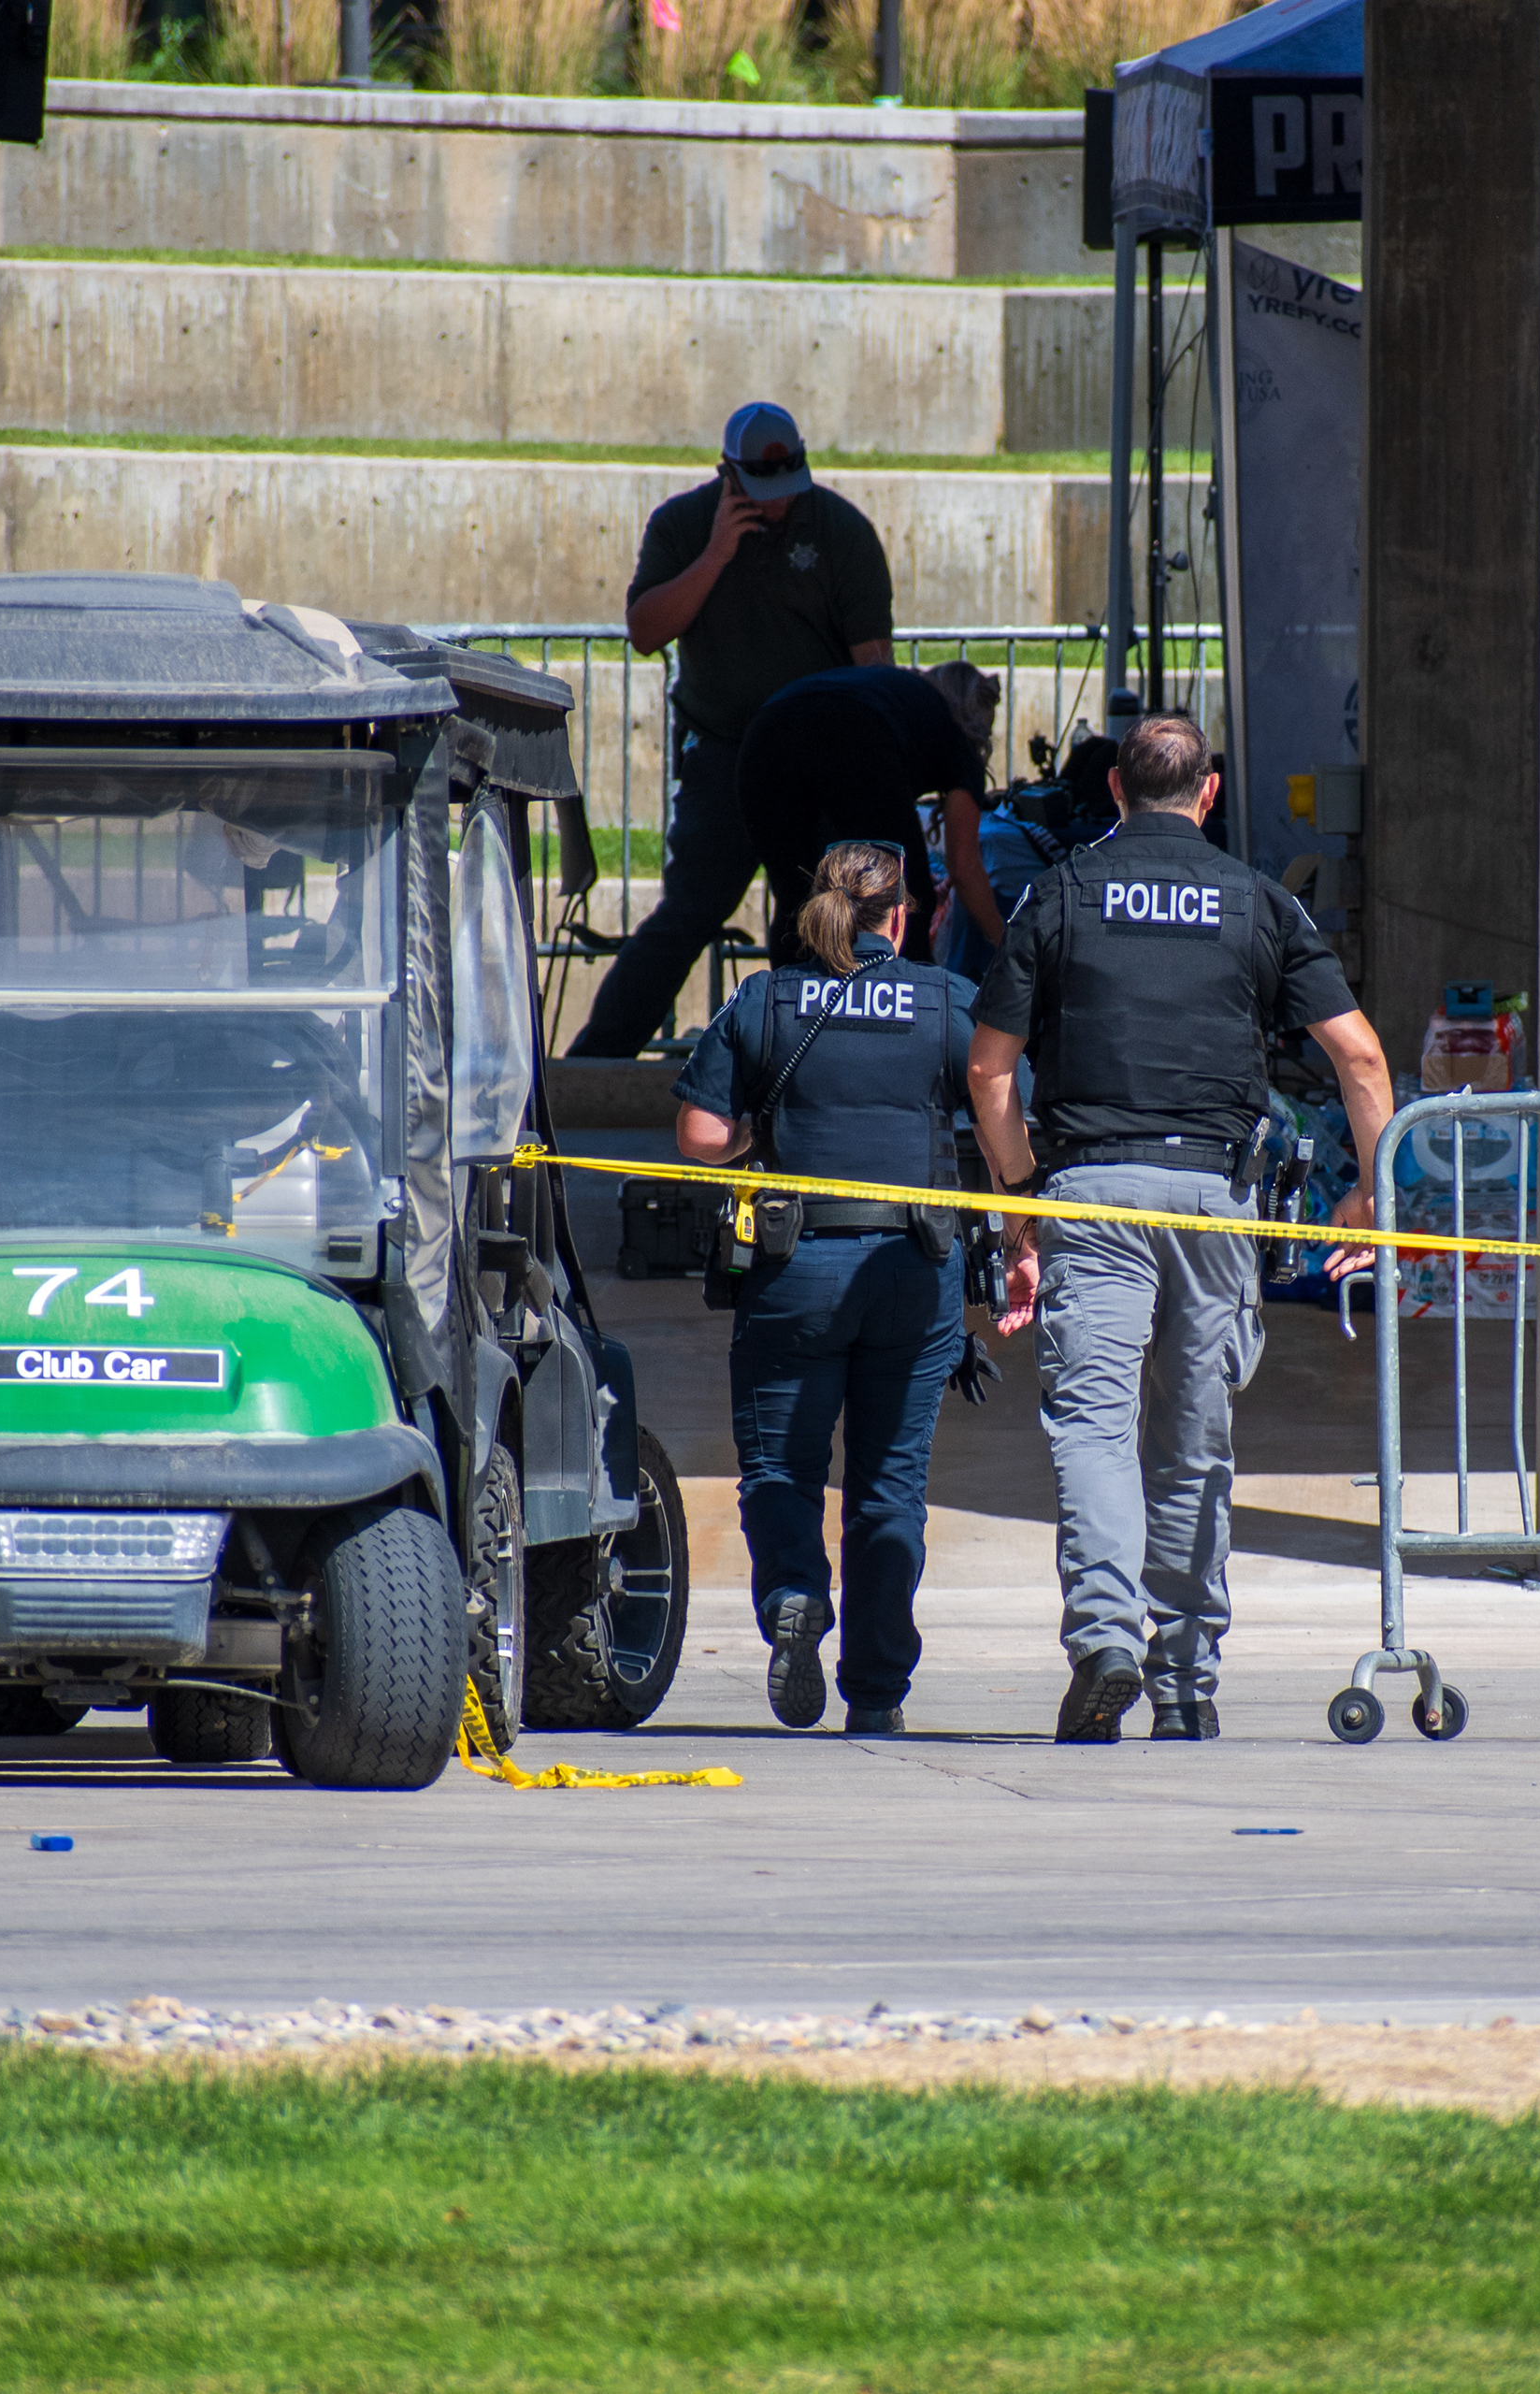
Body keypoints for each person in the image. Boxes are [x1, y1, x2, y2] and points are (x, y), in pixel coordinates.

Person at [965, 715, 1393, 1745]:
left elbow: (988, 1071)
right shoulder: (1260, 903)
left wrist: (1021, 1198)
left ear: (1116, 790)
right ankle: (1186, 1677)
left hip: (1093, 1192)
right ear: (1208, 795)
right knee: (1194, 1441)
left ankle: (1107, 1639)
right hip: (1214, 1203)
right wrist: (1374, 1198)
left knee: (1096, 1431)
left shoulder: (1059, 893)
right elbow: (1364, 1059)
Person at [673, 841, 980, 1738]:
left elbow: (699, 1132)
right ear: (903, 914)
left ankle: (796, 1600)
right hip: (914, 1270)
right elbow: (1002, 1104)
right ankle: (877, 1689)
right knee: (891, 1486)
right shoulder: (945, 1001)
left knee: (781, 1467)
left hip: (793, 1265)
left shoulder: (766, 999)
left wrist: (762, 1133)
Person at [569, 403, 896, 1059]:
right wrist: (718, 552)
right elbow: (646, 630)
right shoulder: (683, 525)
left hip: (816, 762)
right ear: (729, 474)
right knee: (689, 912)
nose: (777, 506)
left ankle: (810, 1060)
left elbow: (874, 664)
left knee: (813, 915)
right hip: (723, 752)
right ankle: (593, 1063)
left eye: (787, 490)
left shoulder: (841, 530)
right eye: (760, 493)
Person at [736, 660, 1002, 963]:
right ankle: (911, 1003)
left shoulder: (897, 692)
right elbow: (964, 867)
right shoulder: (953, 734)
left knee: (800, 900)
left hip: (764, 733)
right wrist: (1006, 943)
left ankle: (787, 1003)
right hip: (853, 729)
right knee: (908, 898)